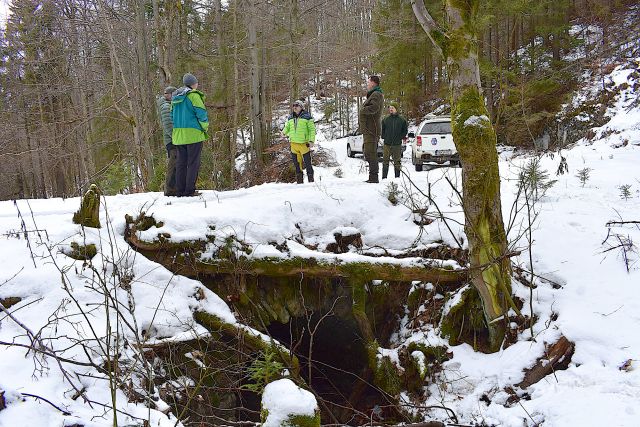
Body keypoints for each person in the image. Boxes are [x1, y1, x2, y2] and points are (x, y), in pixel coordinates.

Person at [171, 73, 209, 197]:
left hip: (178, 136)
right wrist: (204, 127)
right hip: (193, 134)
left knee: (181, 163)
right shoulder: (193, 96)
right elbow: (201, 113)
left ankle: (180, 190)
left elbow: (172, 116)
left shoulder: (175, 98)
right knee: (193, 162)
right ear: (193, 84)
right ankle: (189, 190)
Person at [283, 99, 316, 184]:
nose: (294, 107)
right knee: (297, 165)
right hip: (294, 145)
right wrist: (283, 132)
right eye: (293, 105)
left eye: (296, 105)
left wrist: (311, 141)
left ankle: (311, 182)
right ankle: (299, 183)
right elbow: (287, 127)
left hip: (304, 145)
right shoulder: (290, 117)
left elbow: (312, 130)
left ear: (301, 107)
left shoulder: (307, 117)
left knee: (308, 164)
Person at [358, 75, 384, 183]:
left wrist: (362, 109)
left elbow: (374, 108)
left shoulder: (376, 94)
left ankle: (374, 177)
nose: (367, 84)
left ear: (373, 83)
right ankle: (372, 176)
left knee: (370, 152)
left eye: (368, 82)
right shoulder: (373, 94)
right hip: (368, 129)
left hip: (372, 129)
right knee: (368, 152)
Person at [157, 86, 178, 196]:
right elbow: (168, 125)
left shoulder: (167, 105)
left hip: (172, 139)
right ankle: (170, 189)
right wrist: (176, 138)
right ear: (169, 95)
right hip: (172, 140)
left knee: (175, 164)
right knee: (173, 164)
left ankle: (173, 188)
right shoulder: (165, 106)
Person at [381, 102, 408, 179]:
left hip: (397, 144)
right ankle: (384, 177)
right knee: (385, 161)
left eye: (392, 108)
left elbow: (405, 130)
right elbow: (383, 129)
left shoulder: (402, 120)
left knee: (397, 162)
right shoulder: (386, 119)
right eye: (390, 108)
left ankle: (397, 178)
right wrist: (384, 136)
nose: (391, 109)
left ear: (396, 109)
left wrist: (400, 137)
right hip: (387, 144)